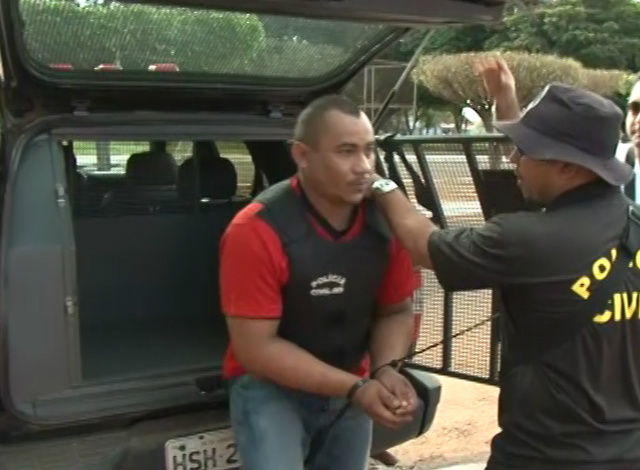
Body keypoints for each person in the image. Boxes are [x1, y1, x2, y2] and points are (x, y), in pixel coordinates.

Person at [367, 57, 640, 470]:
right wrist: (507, 105)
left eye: (525, 150)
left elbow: (423, 245)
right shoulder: (631, 224)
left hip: (543, 456)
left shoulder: (528, 241)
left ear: (567, 167)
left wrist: (378, 180)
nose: (513, 157)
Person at [219, 94, 421, 470]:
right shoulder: (256, 230)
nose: (364, 166)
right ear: (302, 155)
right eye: (346, 151)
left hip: (352, 383)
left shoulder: (384, 224)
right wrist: (356, 388)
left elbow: (396, 310)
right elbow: (256, 349)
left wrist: (385, 369)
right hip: (272, 389)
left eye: (369, 150)